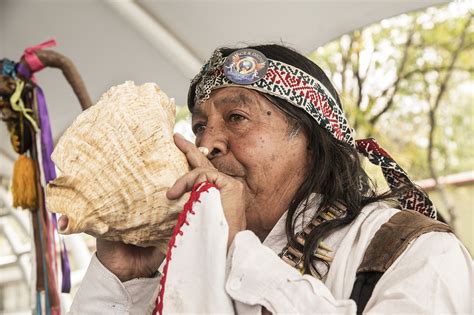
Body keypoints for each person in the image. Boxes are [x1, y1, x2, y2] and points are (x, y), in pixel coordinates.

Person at [66, 44, 472, 314]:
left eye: (236, 118)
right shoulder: (189, 260)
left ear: (311, 140)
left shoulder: (419, 252)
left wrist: (236, 248)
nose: (207, 145)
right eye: (200, 126)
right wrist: (125, 279)